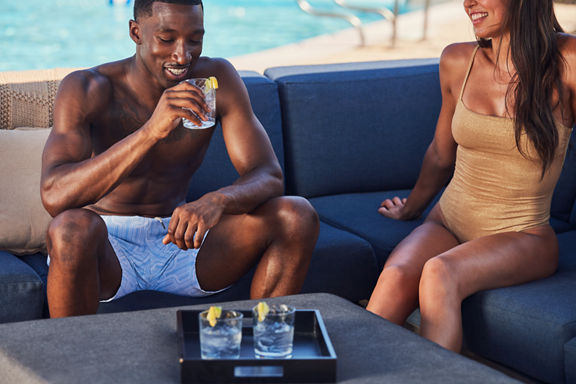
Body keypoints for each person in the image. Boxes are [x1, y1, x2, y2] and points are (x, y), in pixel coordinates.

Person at [40, 0, 319, 318]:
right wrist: (151, 131)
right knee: (69, 229)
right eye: (167, 39)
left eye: (195, 39)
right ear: (136, 32)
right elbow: (54, 195)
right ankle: (72, 364)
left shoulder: (216, 80)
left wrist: (217, 201)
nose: (182, 55)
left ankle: (264, 344)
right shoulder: (87, 88)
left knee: (296, 215)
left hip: (182, 241)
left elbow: (269, 175)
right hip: (108, 248)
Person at [367, 0, 576, 352]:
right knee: (395, 276)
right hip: (449, 220)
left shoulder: (568, 60)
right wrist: (410, 209)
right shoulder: (457, 61)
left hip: (523, 233)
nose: (469, 2)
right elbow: (439, 154)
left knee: (439, 273)